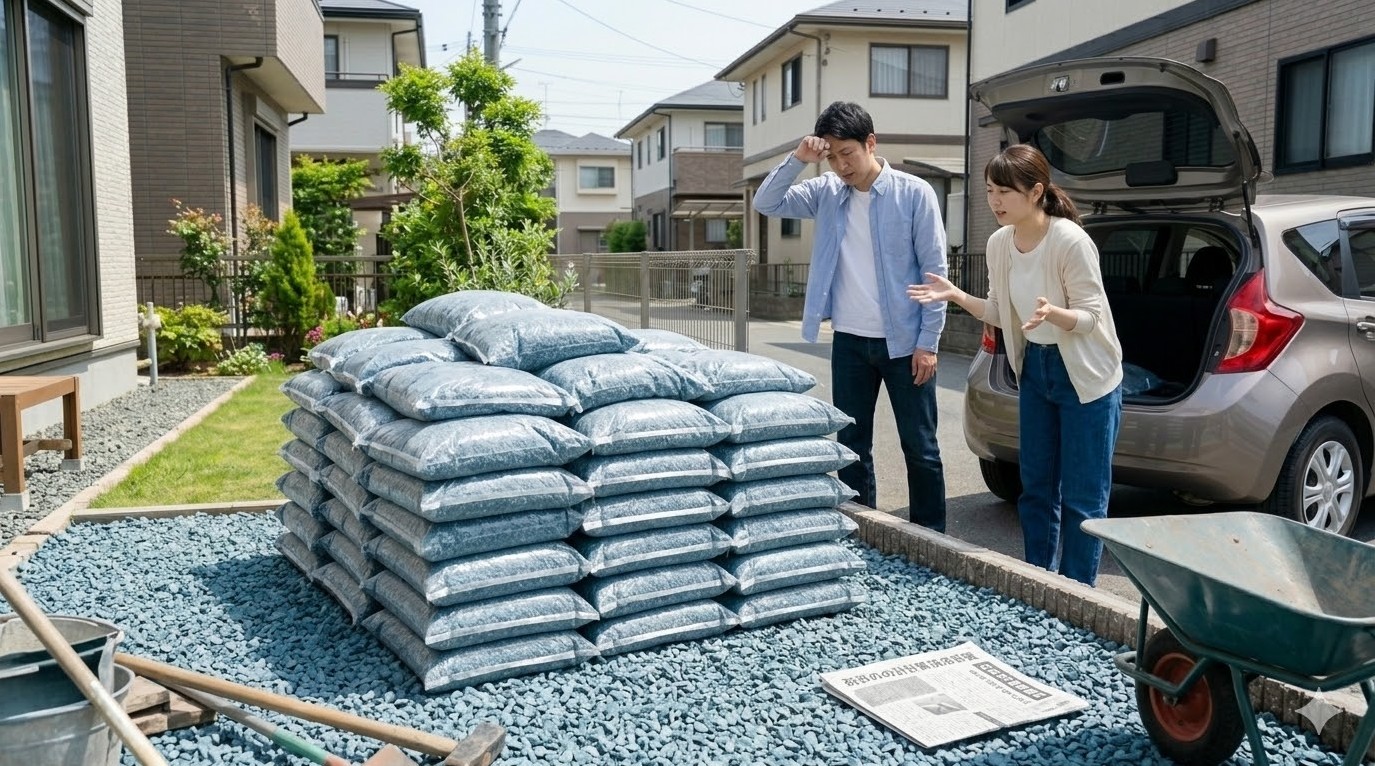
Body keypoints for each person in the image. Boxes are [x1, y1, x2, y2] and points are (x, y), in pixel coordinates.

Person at [907, 143, 1122, 585]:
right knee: (1036, 487)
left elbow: (1091, 317)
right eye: (990, 190)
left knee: (1083, 495)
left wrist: (1054, 314)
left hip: (1086, 374)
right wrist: (955, 295)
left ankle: (1078, 591)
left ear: (1036, 191)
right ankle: (1039, 580)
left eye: (1004, 191)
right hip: (1036, 369)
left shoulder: (1069, 240)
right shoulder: (999, 243)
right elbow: (998, 310)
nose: (995, 201)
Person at [754, 101, 948, 531]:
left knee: (920, 447)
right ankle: (863, 533)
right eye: (833, 156)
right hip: (849, 342)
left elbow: (936, 273)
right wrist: (799, 158)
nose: (842, 165)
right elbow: (766, 202)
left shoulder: (914, 193)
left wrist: (928, 342)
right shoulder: (825, 192)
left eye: (849, 154)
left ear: (870, 143)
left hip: (906, 343)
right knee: (852, 445)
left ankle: (934, 540)